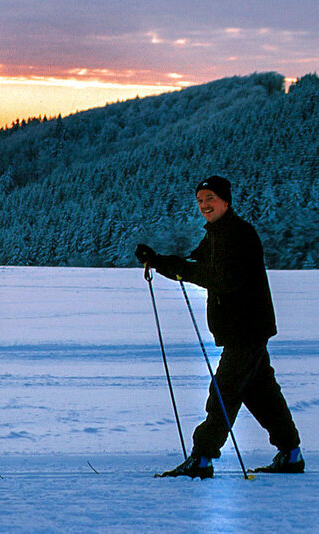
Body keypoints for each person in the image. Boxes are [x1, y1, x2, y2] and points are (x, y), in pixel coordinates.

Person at [136, 175, 304, 479]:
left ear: (226, 201)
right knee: (261, 394)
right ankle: (291, 454)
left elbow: (217, 277)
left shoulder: (240, 235)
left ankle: (202, 458)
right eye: (200, 200)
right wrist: (158, 261)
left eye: (210, 198)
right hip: (241, 331)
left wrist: (172, 267)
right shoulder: (216, 234)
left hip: (246, 329)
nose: (204, 205)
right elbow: (193, 262)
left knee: (223, 392)